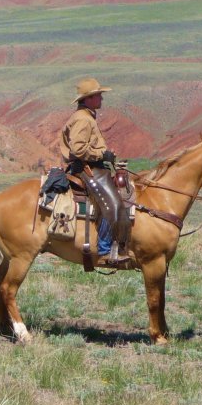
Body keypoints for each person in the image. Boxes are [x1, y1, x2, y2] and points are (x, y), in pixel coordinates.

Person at [60, 78, 128, 265]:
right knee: (112, 202)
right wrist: (101, 155)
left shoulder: (87, 116)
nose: (101, 98)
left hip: (91, 166)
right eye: (98, 95)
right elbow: (78, 149)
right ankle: (105, 250)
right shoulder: (83, 119)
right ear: (88, 98)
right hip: (86, 168)